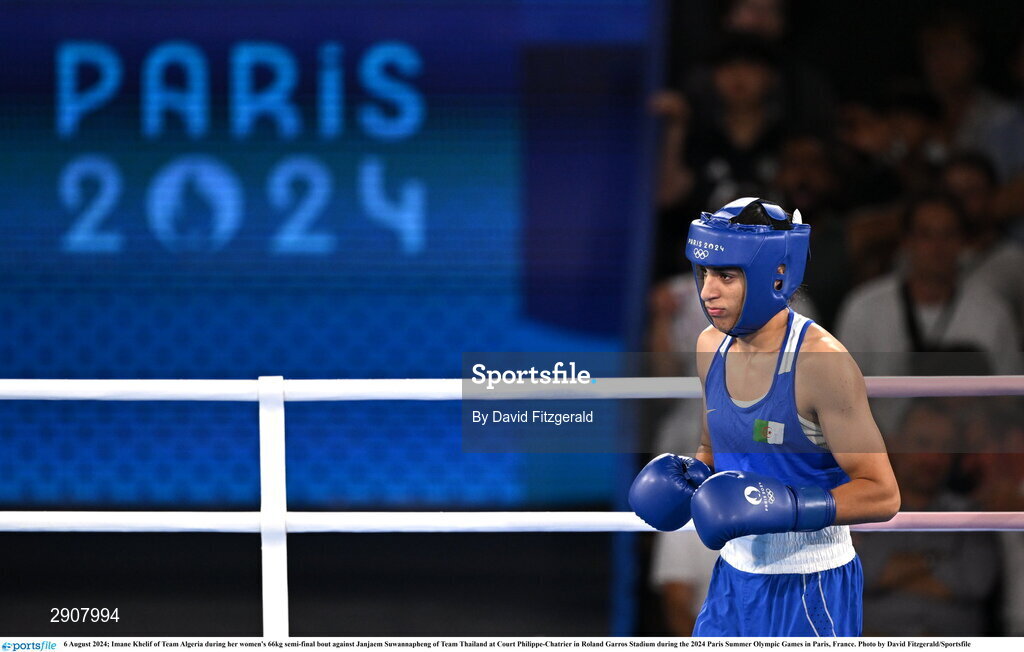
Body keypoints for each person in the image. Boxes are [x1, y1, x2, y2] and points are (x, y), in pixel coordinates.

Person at [629, 197, 900, 636]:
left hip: (810, 584)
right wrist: (693, 474)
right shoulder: (709, 346)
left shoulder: (820, 363)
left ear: (775, 275)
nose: (707, 291)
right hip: (732, 577)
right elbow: (712, 445)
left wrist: (790, 507)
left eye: (726, 276)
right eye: (704, 273)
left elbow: (884, 495)